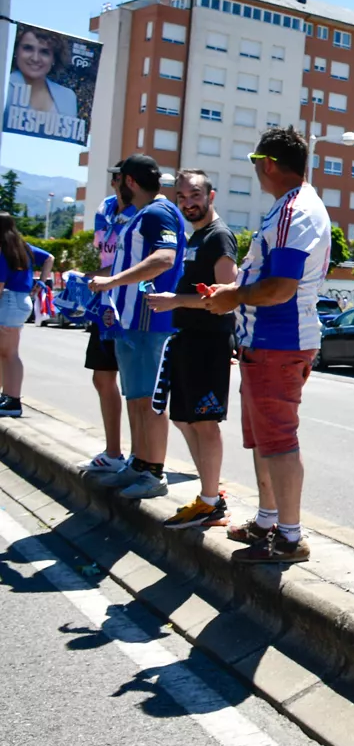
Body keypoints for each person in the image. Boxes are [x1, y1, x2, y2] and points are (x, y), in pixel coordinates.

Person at [202, 127, 332, 564]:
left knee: (277, 440)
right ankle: (267, 521)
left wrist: (233, 297)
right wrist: (233, 293)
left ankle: (290, 538)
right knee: (264, 440)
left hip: (280, 341)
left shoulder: (296, 212)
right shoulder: (290, 208)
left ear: (268, 164)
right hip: (267, 341)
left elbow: (281, 287)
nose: (256, 171)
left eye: (256, 163)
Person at [86, 154, 187, 500]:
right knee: (136, 397)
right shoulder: (143, 214)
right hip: (132, 321)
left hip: (149, 319)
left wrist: (114, 280)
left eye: (119, 180)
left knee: (149, 401)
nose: (115, 186)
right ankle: (139, 463)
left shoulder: (158, 212)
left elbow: (165, 258)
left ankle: (153, 472)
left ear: (130, 182)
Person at [146, 168, 241, 530]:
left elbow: (227, 296)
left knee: (204, 423)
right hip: (187, 339)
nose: (188, 203)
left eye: (195, 196)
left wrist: (176, 300)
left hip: (209, 342)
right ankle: (210, 495)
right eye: (181, 197)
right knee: (184, 419)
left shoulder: (219, 238)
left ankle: (211, 502)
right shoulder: (197, 236)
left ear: (210, 197)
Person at [77, 166, 137, 476]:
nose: (118, 183)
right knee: (102, 378)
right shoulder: (105, 209)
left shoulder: (146, 211)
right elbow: (103, 255)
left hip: (132, 307)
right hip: (104, 306)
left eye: (124, 178)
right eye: (115, 177)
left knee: (137, 386)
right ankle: (114, 452)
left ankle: (144, 458)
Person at [0, 214, 34, 417]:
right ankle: (8, 397)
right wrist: (41, 282)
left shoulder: (3, 252)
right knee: (6, 353)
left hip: (10, 301)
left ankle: (12, 400)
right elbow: (49, 258)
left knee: (9, 353)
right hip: (21, 300)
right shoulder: (23, 248)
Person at [6, 27, 79, 120]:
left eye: (44, 52)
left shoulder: (68, 96)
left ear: (54, 59)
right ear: (16, 51)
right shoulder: (4, 87)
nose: (35, 58)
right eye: (28, 48)